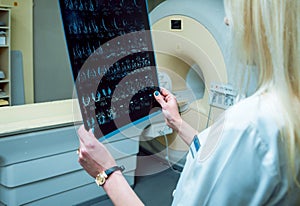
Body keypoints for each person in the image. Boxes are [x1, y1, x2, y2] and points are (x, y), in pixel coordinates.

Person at [77, 0, 300, 205]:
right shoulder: (287, 107)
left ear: (264, 22)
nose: (226, 20)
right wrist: (177, 123)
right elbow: (222, 159)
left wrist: (106, 173)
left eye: (235, 11)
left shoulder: (248, 125)